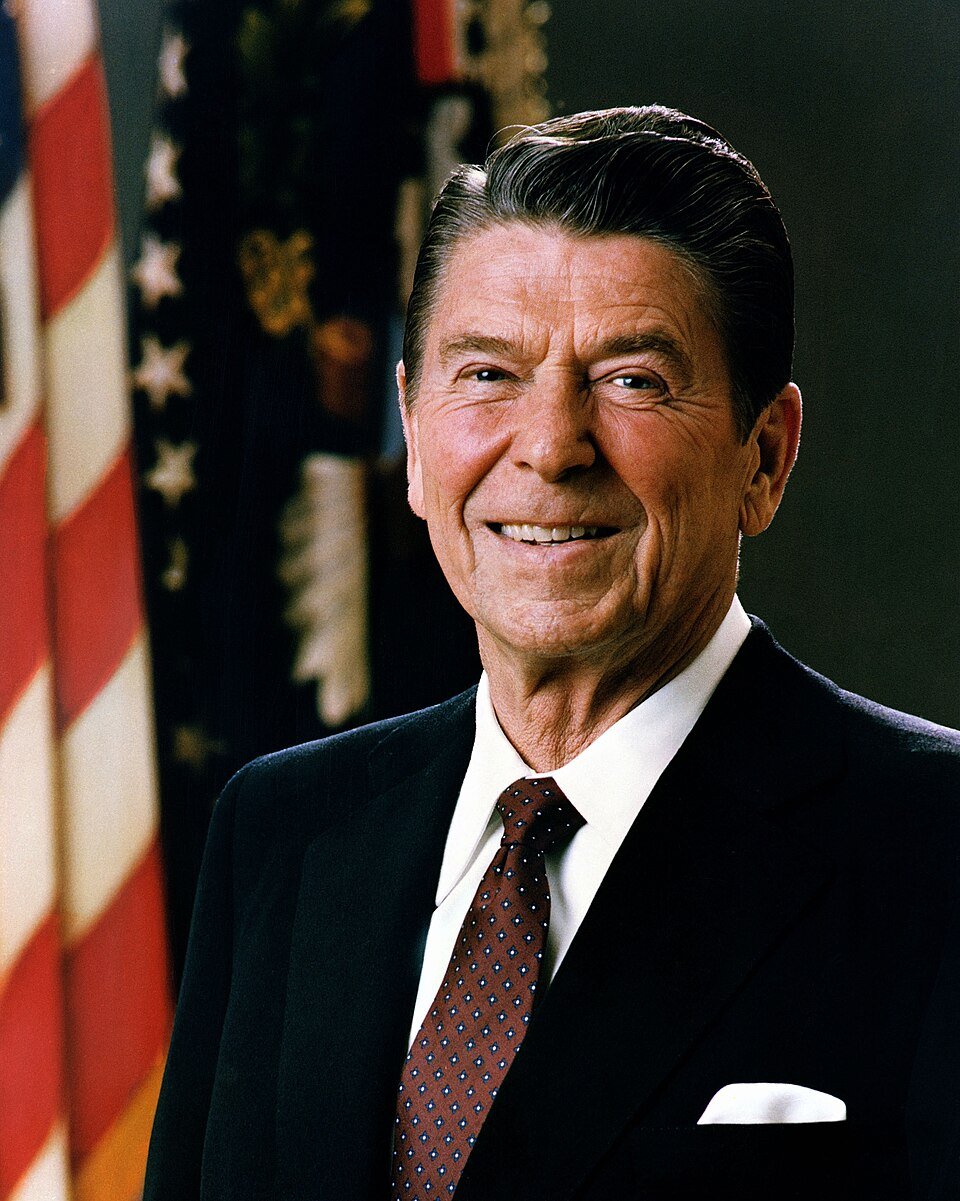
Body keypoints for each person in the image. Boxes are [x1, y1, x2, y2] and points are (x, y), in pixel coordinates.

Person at [143, 106, 960, 1201]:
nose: (549, 445)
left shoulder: (932, 850)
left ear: (766, 456)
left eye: (631, 379)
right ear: (414, 434)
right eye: (486, 375)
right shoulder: (284, 833)